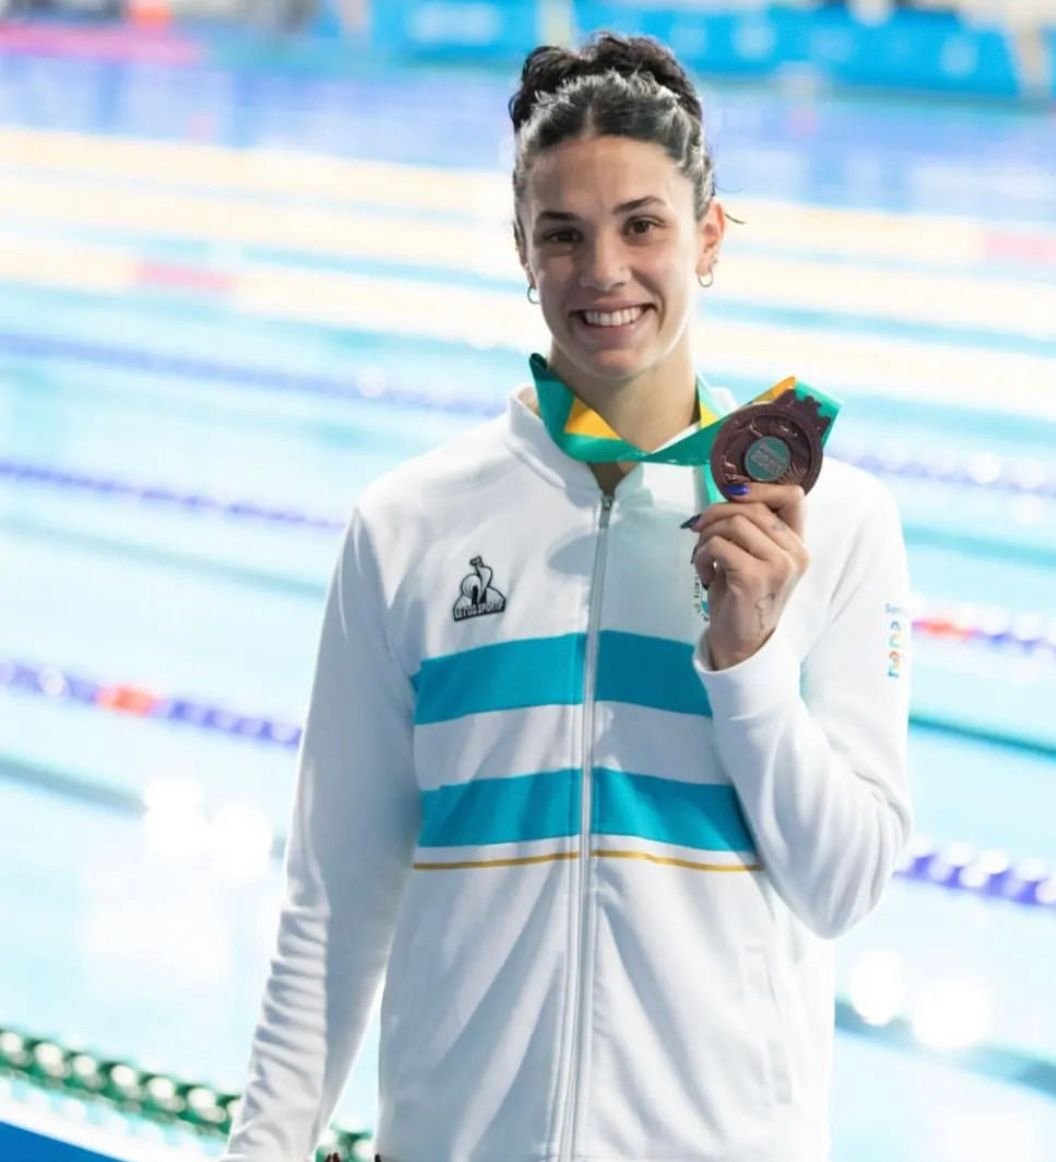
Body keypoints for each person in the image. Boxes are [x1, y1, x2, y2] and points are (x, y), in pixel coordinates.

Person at [221, 31, 913, 1162]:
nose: (605, 271)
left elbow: (843, 885)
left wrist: (749, 667)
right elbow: (334, 904)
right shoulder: (408, 526)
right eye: (564, 234)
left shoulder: (834, 526)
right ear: (522, 252)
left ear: (711, 237)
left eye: (643, 224)